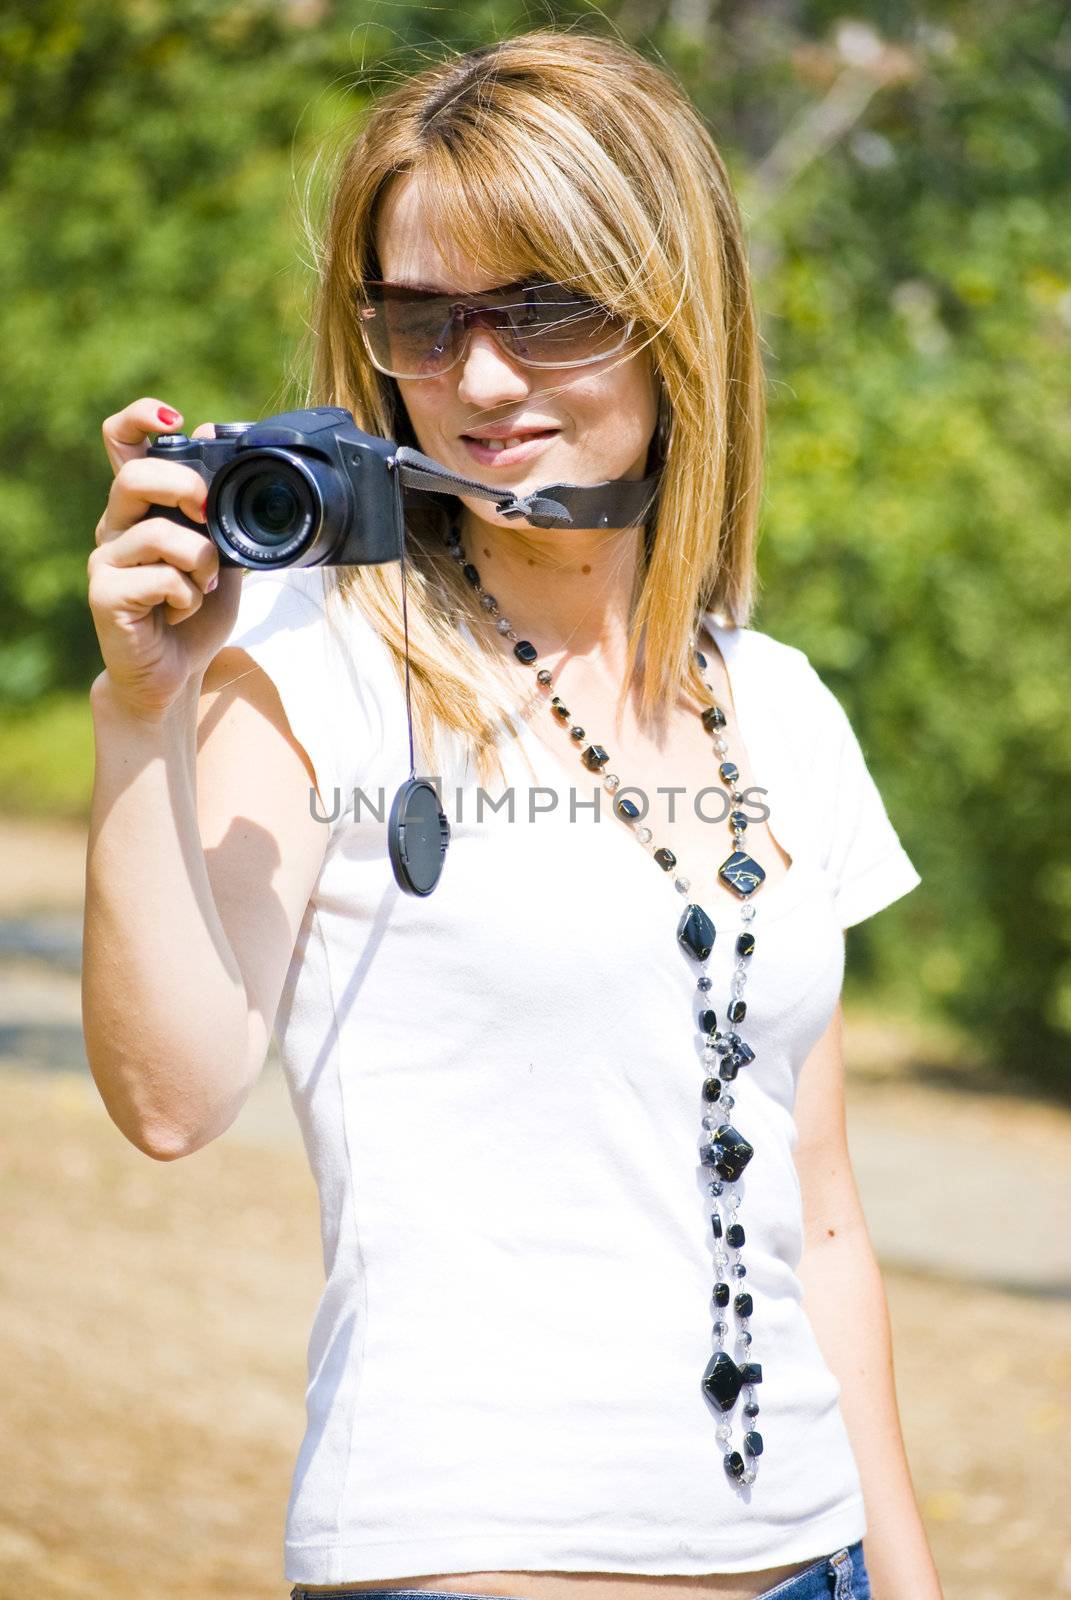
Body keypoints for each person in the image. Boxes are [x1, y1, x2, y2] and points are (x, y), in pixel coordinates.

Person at [83, 29, 944, 1600]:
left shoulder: (788, 709)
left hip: (814, 1561)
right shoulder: (310, 668)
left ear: (672, 309)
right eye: (422, 319)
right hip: (476, 1560)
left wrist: (905, 1574)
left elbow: (821, 1223)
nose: (479, 378)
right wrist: (141, 715)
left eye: (542, 310)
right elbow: (171, 1100)